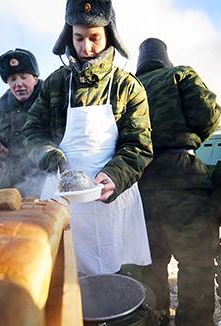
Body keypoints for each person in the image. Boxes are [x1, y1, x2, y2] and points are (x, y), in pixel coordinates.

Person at [22, 0, 153, 276]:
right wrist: (46, 152)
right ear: (68, 35)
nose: (86, 47)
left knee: (116, 275)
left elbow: (139, 145)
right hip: (62, 195)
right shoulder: (55, 84)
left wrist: (116, 175)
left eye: (94, 38)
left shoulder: (127, 86)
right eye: (78, 37)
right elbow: (33, 130)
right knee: (64, 274)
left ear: (109, 35)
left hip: (113, 198)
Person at [135, 38, 221, 326]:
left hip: (141, 185)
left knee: (150, 266)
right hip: (184, 180)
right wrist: (191, 139)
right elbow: (208, 114)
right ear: (165, 58)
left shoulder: (128, 87)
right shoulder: (180, 74)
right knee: (196, 264)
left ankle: (155, 320)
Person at [0, 48, 43, 195]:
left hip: (44, 181)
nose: (18, 84)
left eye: (24, 77)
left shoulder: (49, 102)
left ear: (35, 78)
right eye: (13, 79)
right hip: (10, 184)